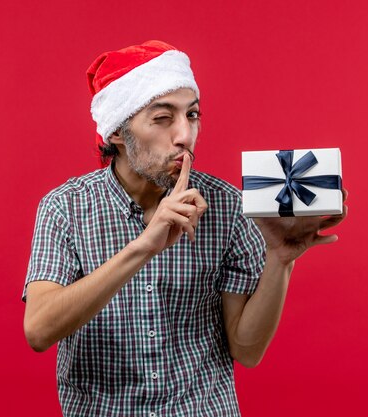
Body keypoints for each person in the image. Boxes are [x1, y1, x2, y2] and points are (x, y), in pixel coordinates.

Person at [22, 40, 347, 416]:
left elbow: (247, 350)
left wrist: (280, 259)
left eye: (192, 115)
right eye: (163, 118)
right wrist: (143, 246)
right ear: (116, 133)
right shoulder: (66, 207)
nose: (185, 136)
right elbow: (39, 331)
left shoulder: (228, 206)